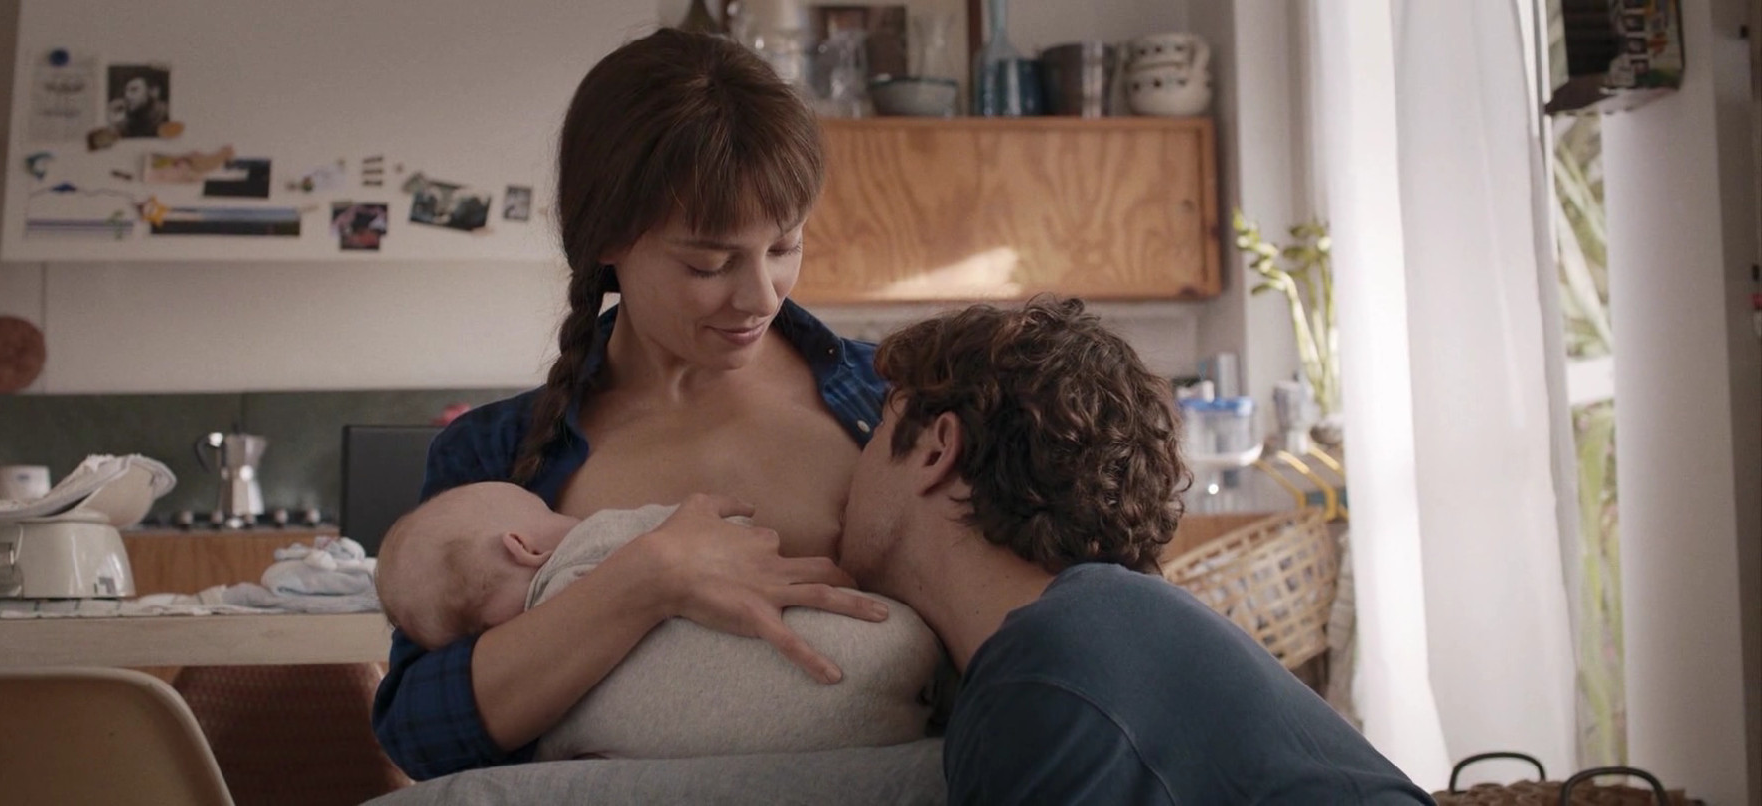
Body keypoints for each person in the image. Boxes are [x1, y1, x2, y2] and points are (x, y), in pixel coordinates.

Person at [371, 29, 896, 780]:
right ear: (607, 238)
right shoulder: (493, 457)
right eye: (709, 263)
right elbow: (420, 734)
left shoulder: (894, 401)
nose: (761, 297)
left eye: (784, 247)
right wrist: (646, 579)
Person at [838, 298, 1436, 804]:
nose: (850, 466)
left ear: (937, 449)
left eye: (875, 430)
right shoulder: (1099, 633)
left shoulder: (1045, 673)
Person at [374, 481, 939, 762]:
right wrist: (656, 565)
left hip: (836, 749)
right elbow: (732, 536)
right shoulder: (601, 537)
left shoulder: (543, 715)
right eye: (549, 512)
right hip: (891, 648)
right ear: (523, 545)